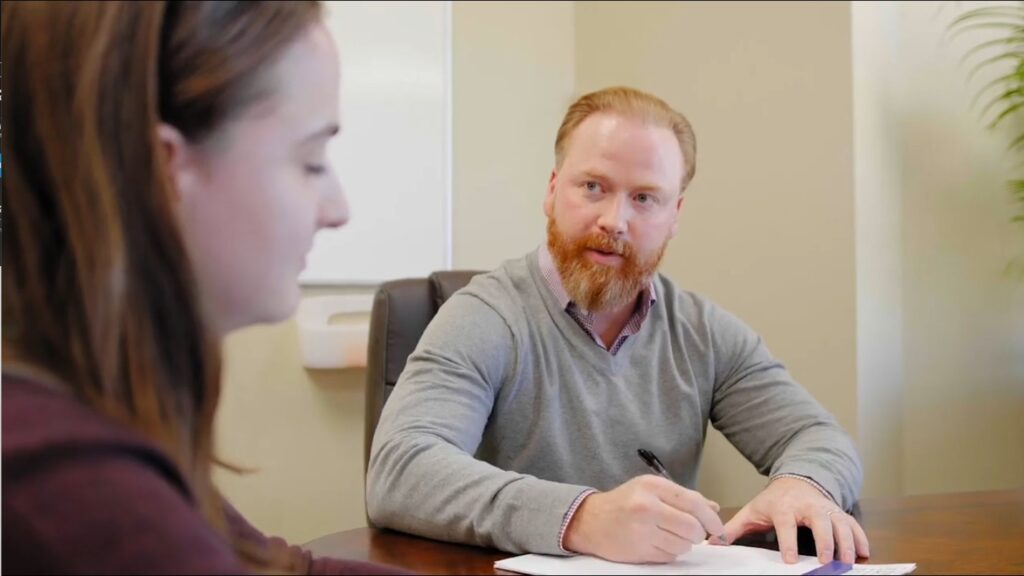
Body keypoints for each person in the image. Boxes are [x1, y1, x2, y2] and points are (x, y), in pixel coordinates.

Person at [366, 86, 871, 567]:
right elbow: (400, 470)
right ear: (551, 190)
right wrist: (582, 518)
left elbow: (817, 436)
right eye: (593, 187)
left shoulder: (702, 331)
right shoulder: (485, 316)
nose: (614, 220)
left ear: (675, 215)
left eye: (645, 198)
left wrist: (804, 484)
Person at [2, 2, 406, 574]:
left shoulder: (102, 405)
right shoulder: (68, 484)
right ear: (164, 169)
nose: (338, 209)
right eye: (311, 160)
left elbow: (277, 566)